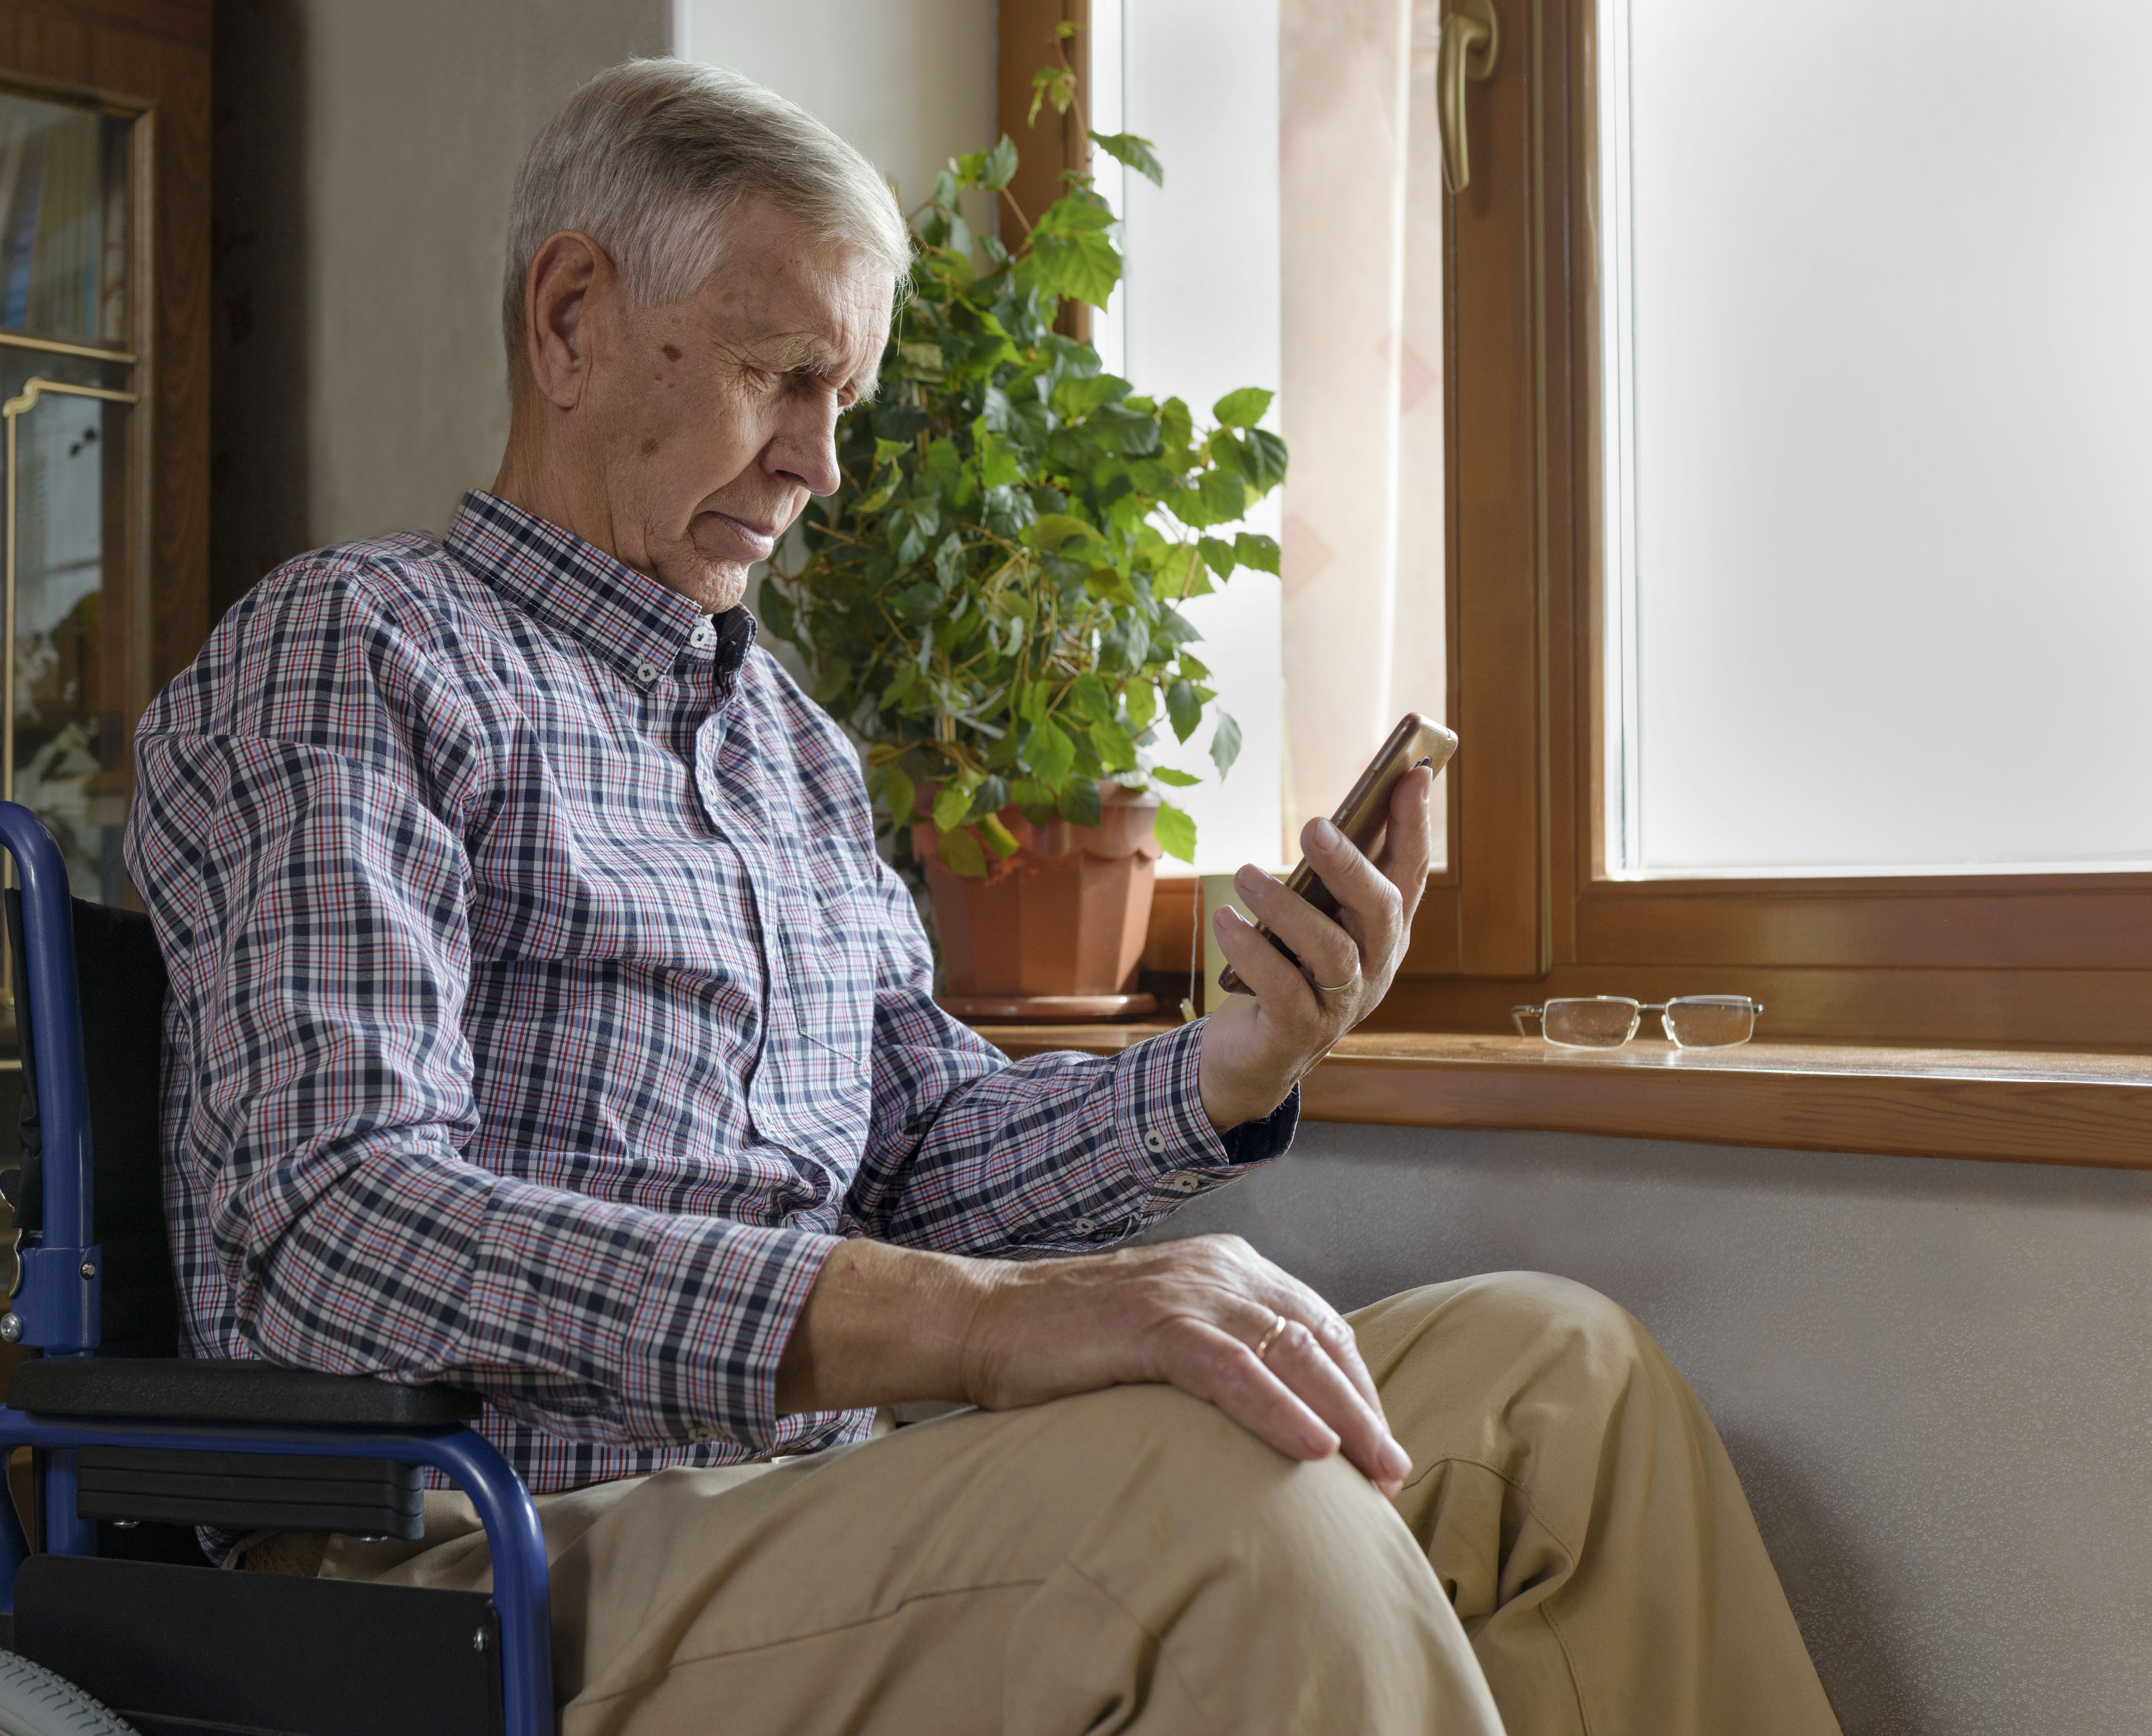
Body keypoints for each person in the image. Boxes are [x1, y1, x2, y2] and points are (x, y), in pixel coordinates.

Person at [124, 56, 1839, 1736]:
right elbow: (334, 1225)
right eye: (779, 375)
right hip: (477, 1548)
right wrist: (980, 1324)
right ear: (570, 321)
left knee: (1558, 1385)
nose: (821, 464)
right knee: (1218, 1508)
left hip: (803, 1503)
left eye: (843, 399)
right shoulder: (360, 651)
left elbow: (923, 1148)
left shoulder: (789, 749)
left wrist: (1231, 1063)